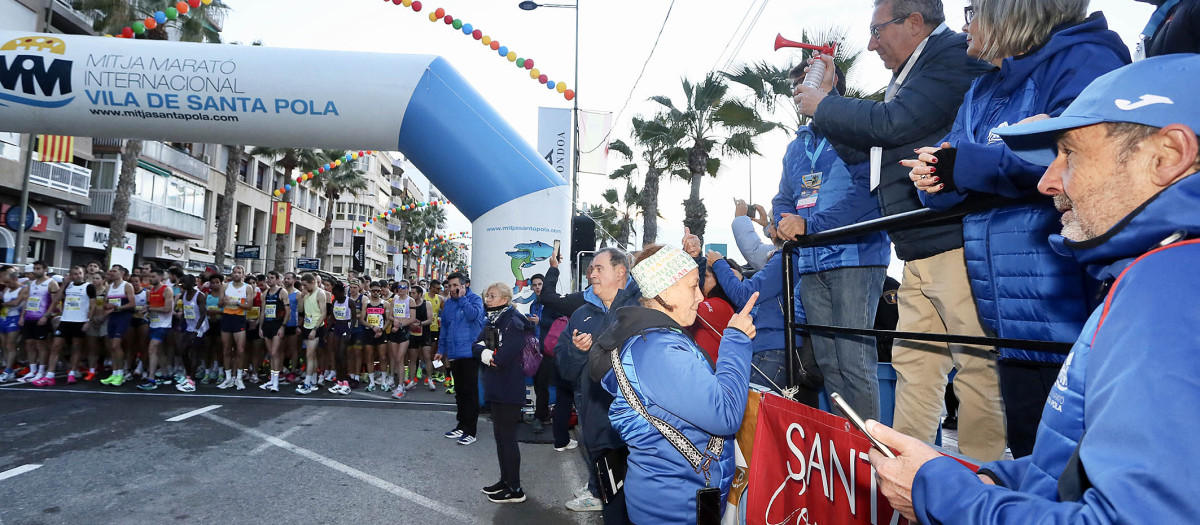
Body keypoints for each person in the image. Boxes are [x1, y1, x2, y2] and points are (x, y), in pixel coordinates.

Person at [867, 53, 1200, 524]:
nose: (1046, 181)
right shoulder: (1153, 273)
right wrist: (995, 479)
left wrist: (941, 493)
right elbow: (1079, 466)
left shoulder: (1170, 288)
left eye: (1070, 154)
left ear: (1166, 157)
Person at [903, 0, 1129, 457]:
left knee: (1085, 463)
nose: (965, 25)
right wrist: (935, 177)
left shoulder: (1085, 57)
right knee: (1032, 455)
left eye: (973, 10)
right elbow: (952, 172)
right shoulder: (982, 87)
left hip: (1067, 307)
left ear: (1011, 10)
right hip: (1006, 311)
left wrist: (963, 165)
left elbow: (1076, 158)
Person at [795, 0, 1005, 461]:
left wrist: (826, 103)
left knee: (975, 371)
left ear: (914, 22)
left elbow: (892, 124)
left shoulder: (951, 55)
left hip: (955, 241)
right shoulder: (910, 72)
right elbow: (868, 157)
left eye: (877, 31)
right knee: (914, 365)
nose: (871, 45)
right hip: (916, 246)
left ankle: (981, 484)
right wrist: (827, 106)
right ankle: (911, 475)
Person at [593, 244, 758, 524]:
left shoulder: (659, 339)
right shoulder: (659, 350)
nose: (700, 296)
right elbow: (725, 414)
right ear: (665, 291)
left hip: (676, 495)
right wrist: (736, 340)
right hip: (674, 505)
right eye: (693, 286)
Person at [775, 61, 892, 419]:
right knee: (827, 363)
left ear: (831, 79)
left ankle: (868, 448)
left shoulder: (856, 126)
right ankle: (844, 445)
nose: (799, 89)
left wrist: (810, 225)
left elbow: (869, 193)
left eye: (807, 80)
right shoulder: (796, 146)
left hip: (856, 258)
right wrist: (782, 222)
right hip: (811, 265)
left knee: (855, 362)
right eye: (795, 84)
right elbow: (783, 198)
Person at [555, 247, 641, 523]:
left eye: (599, 268)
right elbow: (565, 370)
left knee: (635, 502)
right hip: (593, 422)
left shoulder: (640, 309)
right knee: (611, 503)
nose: (591, 273)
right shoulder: (581, 314)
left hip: (633, 427)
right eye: (591, 268)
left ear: (620, 272)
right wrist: (578, 351)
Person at [710, 250, 822, 407]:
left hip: (773, 352)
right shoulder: (795, 258)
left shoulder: (787, 256)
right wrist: (742, 280)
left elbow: (744, 295)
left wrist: (718, 263)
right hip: (774, 350)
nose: (769, 231)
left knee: (736, 406)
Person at [478, 282, 534, 504]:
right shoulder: (494, 319)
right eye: (487, 295)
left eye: (492, 296)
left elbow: (505, 355)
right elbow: (476, 344)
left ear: (505, 299)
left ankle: (515, 488)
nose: (487, 299)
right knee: (500, 437)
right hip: (496, 384)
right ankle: (505, 480)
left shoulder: (513, 320)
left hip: (510, 386)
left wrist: (489, 356)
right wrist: (487, 354)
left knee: (508, 438)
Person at [437, 272, 486, 445]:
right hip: (454, 353)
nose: (452, 289)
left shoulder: (475, 300)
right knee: (459, 391)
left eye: (455, 285)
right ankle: (461, 425)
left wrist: (463, 298)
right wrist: (441, 350)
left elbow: (474, 316)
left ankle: (470, 430)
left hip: (470, 352)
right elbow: (444, 328)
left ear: (464, 285)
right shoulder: (448, 303)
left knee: (470, 391)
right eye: (450, 286)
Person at [40, 266, 94, 386]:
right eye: (75, 274)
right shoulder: (68, 286)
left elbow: (93, 305)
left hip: (80, 321)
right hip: (65, 320)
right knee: (56, 346)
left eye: (80, 273)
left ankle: (72, 373)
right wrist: (64, 285)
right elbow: (57, 299)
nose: (78, 275)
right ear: (71, 275)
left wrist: (88, 321)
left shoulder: (89, 287)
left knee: (76, 347)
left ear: (83, 274)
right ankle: (50, 375)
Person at [17, 261, 60, 384]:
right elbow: (28, 300)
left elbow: (55, 302)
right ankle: (32, 370)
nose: (35, 271)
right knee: (29, 344)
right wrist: (22, 316)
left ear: (45, 269)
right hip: (29, 317)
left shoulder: (51, 283)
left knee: (41, 345)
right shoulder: (31, 283)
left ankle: (41, 371)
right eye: (34, 269)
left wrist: (46, 316)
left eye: (38, 269)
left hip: (41, 318)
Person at [137, 269, 174, 390]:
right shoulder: (152, 290)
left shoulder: (167, 290)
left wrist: (150, 309)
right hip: (154, 324)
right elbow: (152, 306)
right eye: (150, 276)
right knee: (159, 351)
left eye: (153, 276)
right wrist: (146, 308)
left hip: (163, 325)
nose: (151, 279)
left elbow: (167, 308)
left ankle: (151, 379)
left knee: (152, 349)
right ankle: (166, 375)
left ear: (161, 277)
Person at [100, 265, 136, 387]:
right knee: (112, 347)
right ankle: (114, 373)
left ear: (121, 273)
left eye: (114, 271)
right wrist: (107, 307)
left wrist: (117, 308)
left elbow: (132, 304)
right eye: (111, 271)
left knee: (116, 344)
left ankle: (120, 373)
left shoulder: (127, 285)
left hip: (123, 317)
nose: (111, 273)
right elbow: (105, 303)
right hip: (112, 318)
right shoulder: (109, 287)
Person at [217, 266, 252, 390]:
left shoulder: (247, 287)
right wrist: (224, 301)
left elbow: (249, 306)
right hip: (227, 318)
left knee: (240, 350)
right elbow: (219, 304)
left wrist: (237, 303)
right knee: (226, 350)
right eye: (235, 272)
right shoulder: (225, 286)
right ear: (232, 274)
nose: (236, 274)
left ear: (243, 274)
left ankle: (238, 378)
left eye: (239, 272)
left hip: (239, 319)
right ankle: (228, 378)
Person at [295, 273, 328, 395]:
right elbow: (300, 310)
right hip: (306, 325)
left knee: (309, 354)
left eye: (305, 285)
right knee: (311, 355)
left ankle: (307, 382)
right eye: (302, 285)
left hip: (316, 327)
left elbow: (323, 313)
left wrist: (315, 329)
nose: (304, 287)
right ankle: (313, 381)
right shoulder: (305, 293)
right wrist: (301, 298)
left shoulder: (320, 293)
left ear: (313, 282)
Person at [175, 274, 207, 393]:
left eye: (184, 282)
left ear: (191, 283)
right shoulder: (184, 295)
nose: (182, 285)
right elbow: (185, 311)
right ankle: (188, 377)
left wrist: (196, 330)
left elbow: (203, 315)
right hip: (189, 327)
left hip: (200, 329)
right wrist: (180, 325)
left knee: (194, 353)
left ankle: (192, 382)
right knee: (183, 352)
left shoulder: (200, 296)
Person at [258, 271, 289, 392]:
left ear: (277, 279)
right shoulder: (265, 293)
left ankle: (275, 381)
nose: (269, 280)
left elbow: (288, 311)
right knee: (271, 353)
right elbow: (263, 311)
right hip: (267, 325)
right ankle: (272, 380)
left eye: (271, 278)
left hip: (277, 324)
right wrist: (260, 327)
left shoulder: (282, 292)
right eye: (268, 278)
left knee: (275, 353)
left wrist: (283, 326)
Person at [359, 281, 392, 392]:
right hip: (369, 332)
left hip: (381, 333)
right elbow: (362, 319)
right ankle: (372, 382)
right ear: (370, 291)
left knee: (383, 357)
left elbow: (388, 320)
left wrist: (381, 330)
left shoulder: (385, 304)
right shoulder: (366, 303)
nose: (376, 293)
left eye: (378, 291)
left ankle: (383, 381)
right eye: (374, 291)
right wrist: (372, 327)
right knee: (370, 357)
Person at [732, 199, 777, 271]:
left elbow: (754, 253)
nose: (769, 230)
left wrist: (741, 218)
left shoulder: (786, 252)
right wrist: (766, 224)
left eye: (773, 224)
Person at [325, 281, 353, 395]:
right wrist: (326, 332)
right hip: (337, 328)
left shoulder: (349, 301)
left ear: (342, 293)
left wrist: (350, 331)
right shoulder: (335, 301)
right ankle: (339, 381)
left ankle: (346, 383)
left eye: (337, 294)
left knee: (342, 356)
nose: (336, 297)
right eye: (334, 295)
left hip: (346, 328)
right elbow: (332, 317)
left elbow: (354, 318)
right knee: (337, 356)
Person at [0, 267, 27, 382]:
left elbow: (16, 302)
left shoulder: (23, 289)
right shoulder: (7, 288)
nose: (7, 285)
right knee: (3, 345)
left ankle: (8, 370)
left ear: (15, 279)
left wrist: (3, 304)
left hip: (15, 317)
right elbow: (2, 299)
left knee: (10, 345)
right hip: (3, 317)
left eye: (8, 282)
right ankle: (8, 368)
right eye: (5, 283)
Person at [408, 285, 435, 391]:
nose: (412, 295)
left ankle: (430, 379)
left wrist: (420, 324)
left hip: (425, 333)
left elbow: (430, 320)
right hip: (412, 334)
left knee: (427, 356)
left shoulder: (426, 304)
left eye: (414, 293)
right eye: (411, 293)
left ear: (420, 294)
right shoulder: (408, 303)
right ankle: (411, 380)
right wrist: (410, 323)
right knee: (413, 358)